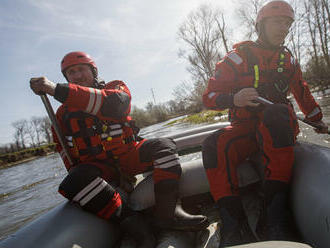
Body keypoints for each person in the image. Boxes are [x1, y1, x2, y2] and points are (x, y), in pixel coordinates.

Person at [30, 51, 208, 247]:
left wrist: (55, 89)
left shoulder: (116, 88)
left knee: (164, 147)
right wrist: (86, 178)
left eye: (81, 69)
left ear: (94, 71)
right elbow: (65, 151)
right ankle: (136, 227)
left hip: (128, 154)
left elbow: (115, 106)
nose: (77, 75)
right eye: (71, 72)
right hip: (100, 167)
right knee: (74, 180)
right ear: (67, 78)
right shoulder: (62, 114)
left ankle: (168, 213)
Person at [201, 0, 328, 247]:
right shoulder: (236, 60)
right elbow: (209, 98)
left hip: (278, 127)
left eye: (287, 24)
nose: (284, 28)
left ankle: (274, 216)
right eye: (278, 22)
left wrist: (317, 120)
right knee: (213, 144)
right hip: (247, 129)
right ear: (261, 24)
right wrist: (233, 98)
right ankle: (233, 222)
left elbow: (303, 94)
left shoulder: (288, 61)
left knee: (277, 114)